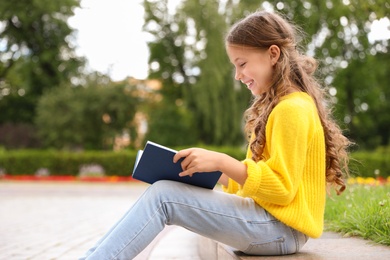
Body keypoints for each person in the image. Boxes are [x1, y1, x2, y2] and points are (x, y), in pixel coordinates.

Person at [80, 10, 351, 259]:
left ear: (273, 54)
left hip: (278, 229)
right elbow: (261, 181)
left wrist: (223, 161)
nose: (237, 74)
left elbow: (281, 188)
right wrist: (209, 170)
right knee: (165, 191)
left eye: (242, 63)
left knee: (163, 196)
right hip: (274, 226)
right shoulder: (286, 106)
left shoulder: (292, 109)